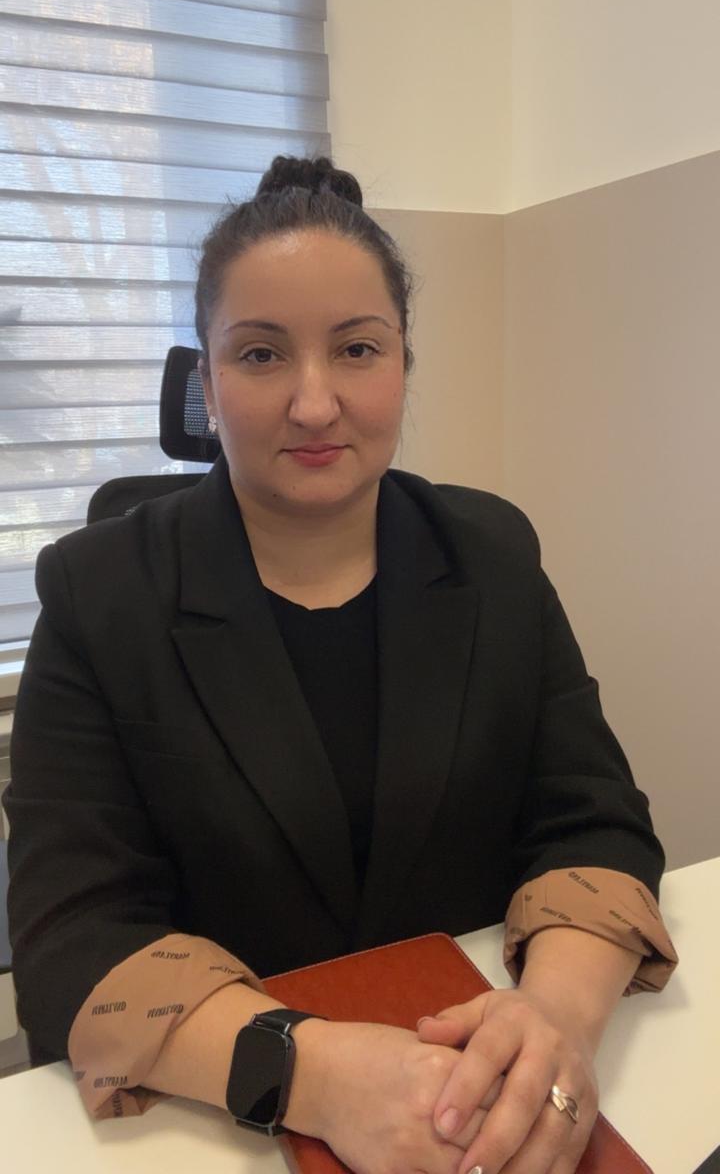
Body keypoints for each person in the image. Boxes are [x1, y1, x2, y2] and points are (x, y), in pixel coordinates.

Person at [5, 155, 677, 1174]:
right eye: (261, 354)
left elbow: (594, 821)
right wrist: (311, 1074)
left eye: (357, 348)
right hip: (218, 1131)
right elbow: (71, 937)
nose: (315, 404)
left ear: (403, 361)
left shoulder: (492, 554)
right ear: (205, 383)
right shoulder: (98, 593)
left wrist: (552, 1023)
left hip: (481, 1093)